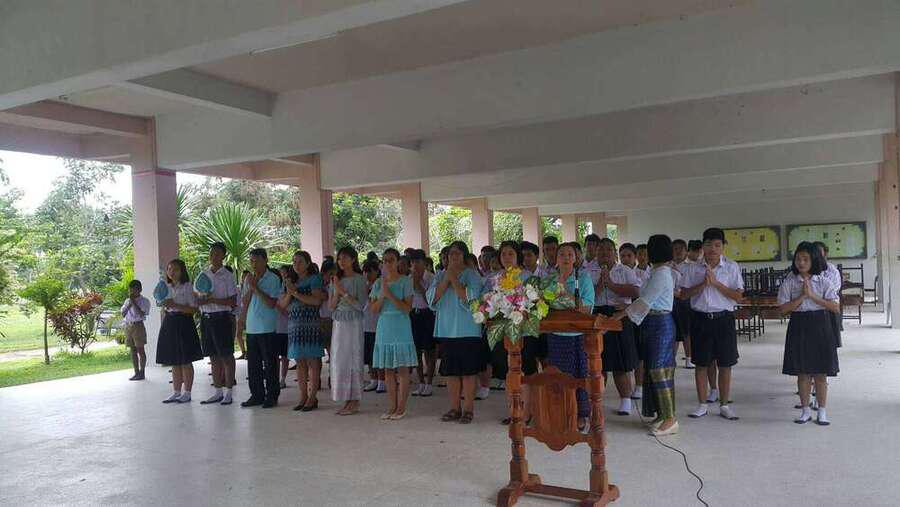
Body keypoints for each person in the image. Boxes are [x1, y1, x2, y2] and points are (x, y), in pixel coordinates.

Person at [614, 234, 679, 436]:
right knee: (652, 370)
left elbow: (645, 301)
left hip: (661, 324)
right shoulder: (656, 271)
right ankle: (662, 414)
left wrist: (621, 315)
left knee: (660, 370)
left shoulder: (662, 274)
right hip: (652, 323)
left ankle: (670, 419)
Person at [680, 228, 744, 421]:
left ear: (723, 246)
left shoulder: (731, 266)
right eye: (708, 245)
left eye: (717, 245)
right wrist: (703, 284)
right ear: (703, 246)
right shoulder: (693, 268)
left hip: (724, 319)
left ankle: (724, 405)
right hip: (700, 319)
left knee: (725, 364)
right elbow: (683, 295)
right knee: (701, 364)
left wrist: (715, 283)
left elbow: (738, 296)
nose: (713, 249)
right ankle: (702, 405)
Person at [778, 242, 840, 426]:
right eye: (798, 259)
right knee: (803, 373)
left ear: (814, 260)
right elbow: (783, 309)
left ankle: (822, 411)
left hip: (821, 325)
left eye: (805, 259)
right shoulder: (789, 282)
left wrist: (812, 296)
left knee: (821, 373)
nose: (801, 263)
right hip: (799, 325)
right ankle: (805, 410)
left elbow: (835, 307)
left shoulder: (824, 281)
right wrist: (803, 296)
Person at [428, 240, 486, 424]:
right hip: (447, 329)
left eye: (457, 253)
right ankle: (454, 408)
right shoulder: (440, 275)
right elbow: (433, 299)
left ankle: (468, 409)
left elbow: (470, 298)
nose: (453, 256)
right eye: (450, 253)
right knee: (451, 372)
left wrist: (453, 278)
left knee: (468, 372)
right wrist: (447, 278)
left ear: (464, 256)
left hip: (468, 330)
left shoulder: (472, 275)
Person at [544, 242, 595, 431]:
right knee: (558, 375)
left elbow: (587, 308)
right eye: (562, 254)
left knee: (578, 375)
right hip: (555, 334)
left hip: (576, 335)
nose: (566, 258)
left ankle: (580, 415)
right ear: (556, 259)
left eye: (570, 254)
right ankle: (560, 413)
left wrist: (566, 293)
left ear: (576, 258)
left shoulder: (583, 278)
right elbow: (542, 304)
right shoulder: (549, 280)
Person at [593, 238, 641, 416]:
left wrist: (612, 285)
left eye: (608, 250)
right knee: (598, 363)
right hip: (597, 315)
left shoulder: (625, 270)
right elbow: (588, 296)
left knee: (620, 362)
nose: (604, 253)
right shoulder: (588, 271)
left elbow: (635, 292)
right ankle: (596, 401)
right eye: (601, 250)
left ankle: (626, 400)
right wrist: (601, 282)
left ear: (614, 253)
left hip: (619, 314)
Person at [370, 248, 418, 420]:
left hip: (401, 325)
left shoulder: (405, 281)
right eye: (385, 260)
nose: (387, 263)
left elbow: (407, 308)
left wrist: (389, 294)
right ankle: (392, 406)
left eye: (391, 260)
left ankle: (401, 407)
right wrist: (382, 295)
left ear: (398, 262)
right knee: (388, 369)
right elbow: (374, 309)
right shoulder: (378, 283)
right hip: (384, 326)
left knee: (402, 369)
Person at [282, 251, 326, 412]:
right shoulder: (290, 281)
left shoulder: (315, 279)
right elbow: (283, 304)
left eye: (300, 261)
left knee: (313, 362)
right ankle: (303, 396)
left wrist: (295, 292)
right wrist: (290, 292)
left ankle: (312, 397)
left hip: (310, 324)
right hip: (295, 325)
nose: (296, 265)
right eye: (294, 261)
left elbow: (316, 301)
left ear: (308, 263)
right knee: (299, 362)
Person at [328, 246, 369, 416]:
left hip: (353, 322)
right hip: (339, 322)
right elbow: (331, 306)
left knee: (354, 357)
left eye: (345, 258)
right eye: (339, 258)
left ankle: (355, 400)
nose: (341, 261)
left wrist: (343, 292)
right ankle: (346, 398)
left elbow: (361, 305)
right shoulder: (336, 279)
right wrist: (336, 291)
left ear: (353, 259)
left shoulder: (359, 279)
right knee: (340, 359)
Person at [241, 248, 283, 409]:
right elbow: (245, 302)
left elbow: (271, 303)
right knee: (253, 364)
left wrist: (256, 287)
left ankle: (272, 395)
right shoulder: (250, 278)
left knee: (270, 363)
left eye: (257, 261)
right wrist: (242, 320)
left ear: (265, 260)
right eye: (251, 261)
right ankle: (257, 395)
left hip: (267, 327)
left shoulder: (273, 278)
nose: (254, 264)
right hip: (252, 327)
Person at [197, 242, 239, 405]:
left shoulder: (227, 276)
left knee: (226, 356)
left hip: (222, 318)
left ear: (223, 256)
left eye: (217, 253)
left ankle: (229, 392)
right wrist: (200, 300)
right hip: (206, 318)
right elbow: (197, 297)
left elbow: (232, 301)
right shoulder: (203, 274)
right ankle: (217, 392)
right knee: (213, 357)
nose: (213, 256)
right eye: (211, 253)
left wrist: (212, 299)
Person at [156, 259, 202, 404]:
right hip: (170, 322)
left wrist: (174, 305)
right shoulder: (166, 287)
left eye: (175, 269)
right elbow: (163, 304)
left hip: (184, 323)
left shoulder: (187, 287)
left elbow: (193, 309)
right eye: (169, 269)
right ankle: (176, 392)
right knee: (174, 360)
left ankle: (187, 392)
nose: (172, 272)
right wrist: (164, 305)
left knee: (186, 360)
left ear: (182, 271)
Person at [409, 249, 436, 397]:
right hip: (414, 314)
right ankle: (420, 383)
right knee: (416, 351)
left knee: (429, 351)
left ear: (424, 263)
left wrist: (418, 284)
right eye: (413, 262)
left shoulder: (431, 278)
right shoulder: (408, 278)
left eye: (418, 262)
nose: (415, 265)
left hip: (428, 315)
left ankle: (429, 383)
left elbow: (430, 301)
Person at [671, 239, 696, 370]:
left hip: (686, 301)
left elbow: (692, 285)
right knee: (673, 332)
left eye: (681, 248)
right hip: (670, 301)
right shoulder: (667, 266)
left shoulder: (691, 266)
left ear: (686, 251)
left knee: (687, 332)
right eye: (675, 248)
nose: (678, 251)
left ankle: (689, 359)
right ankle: (671, 359)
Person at [361, 260, 384, 393]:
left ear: (377, 271)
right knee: (369, 354)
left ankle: (382, 380)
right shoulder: (364, 285)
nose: (367, 274)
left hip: (378, 324)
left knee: (378, 354)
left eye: (370, 271)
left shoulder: (380, 283)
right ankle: (373, 379)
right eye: (365, 272)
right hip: (366, 324)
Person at [121, 279, 150, 381]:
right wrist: (129, 304)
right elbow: (123, 314)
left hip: (138, 326)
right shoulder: (127, 301)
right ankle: (136, 372)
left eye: (134, 290)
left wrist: (134, 303)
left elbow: (142, 314)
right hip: (129, 326)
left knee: (140, 350)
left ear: (140, 290)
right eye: (130, 290)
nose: (132, 292)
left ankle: (142, 372)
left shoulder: (145, 301)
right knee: (132, 350)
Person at [234, 269, 251, 360]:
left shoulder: (250, 287)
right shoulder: (238, 288)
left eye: (245, 276)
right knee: (238, 334)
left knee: (249, 334)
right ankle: (243, 352)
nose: (243, 278)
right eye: (242, 277)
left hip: (248, 313)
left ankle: (249, 352)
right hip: (239, 313)